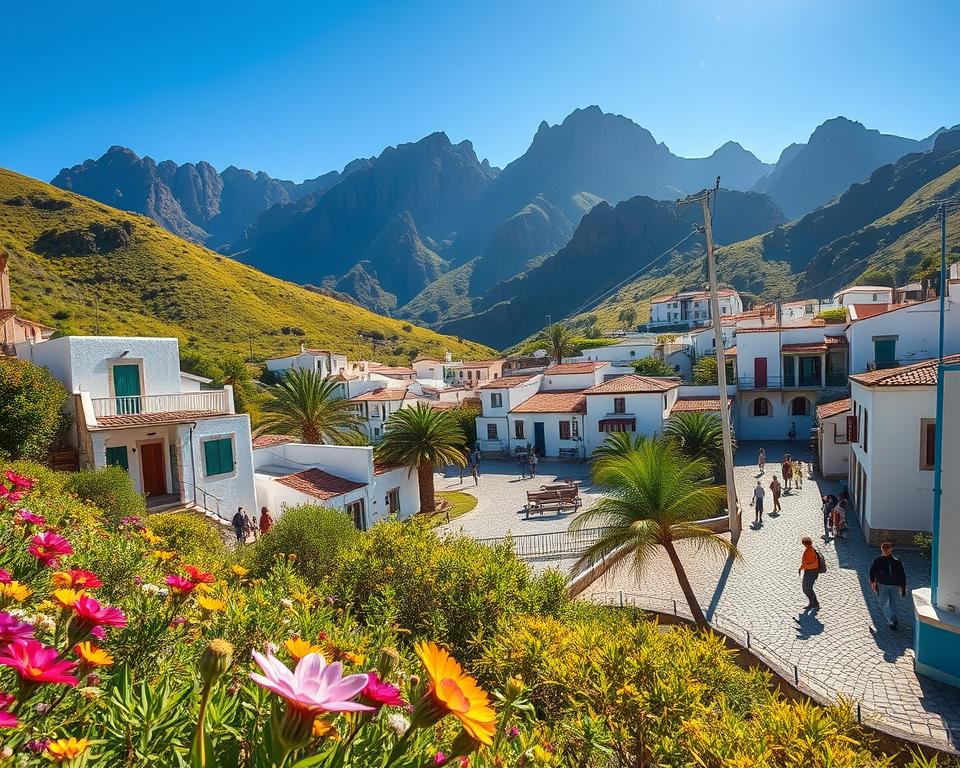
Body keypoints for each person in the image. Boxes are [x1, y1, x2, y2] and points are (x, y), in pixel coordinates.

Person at [869, 542, 908, 629]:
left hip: (883, 584)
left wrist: (872, 582)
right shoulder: (897, 561)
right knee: (893, 603)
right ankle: (893, 621)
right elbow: (902, 575)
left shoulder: (879, 560)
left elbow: (872, 571)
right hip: (895, 584)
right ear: (891, 550)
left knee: (882, 603)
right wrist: (903, 587)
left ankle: (892, 619)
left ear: (882, 549)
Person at [799, 537, 821, 610]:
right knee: (808, 588)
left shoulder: (809, 552)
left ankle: (813, 603)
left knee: (807, 589)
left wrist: (801, 568)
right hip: (811, 572)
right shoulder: (811, 549)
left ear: (805, 544)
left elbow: (806, 563)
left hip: (810, 572)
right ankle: (815, 603)